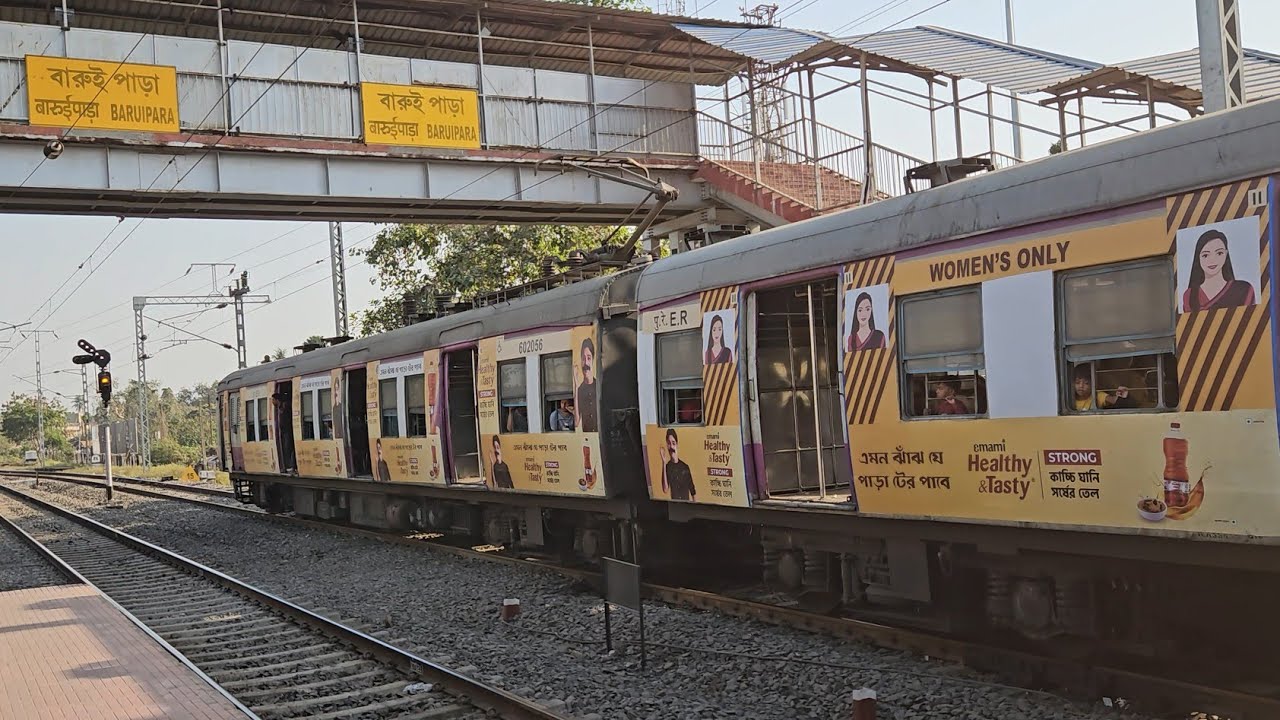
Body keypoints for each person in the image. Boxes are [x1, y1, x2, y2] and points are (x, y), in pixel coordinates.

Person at [1182, 228, 1256, 312]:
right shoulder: (1189, 296)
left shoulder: (1244, 289)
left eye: (1219, 253)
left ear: (1226, 254)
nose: (1212, 260)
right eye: (1205, 255)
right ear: (1198, 258)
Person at [659, 428, 696, 501]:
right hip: (676, 505)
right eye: (669, 443)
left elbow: (692, 490)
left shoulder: (685, 467)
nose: (671, 446)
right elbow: (665, 489)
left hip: (686, 506)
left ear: (677, 444)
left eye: (673, 443)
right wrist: (663, 462)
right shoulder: (667, 467)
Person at [575, 337, 598, 433]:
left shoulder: (599, 387)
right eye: (583, 358)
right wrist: (576, 387)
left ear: (593, 360)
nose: (586, 363)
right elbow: (576, 422)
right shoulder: (580, 390)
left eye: (589, 358)